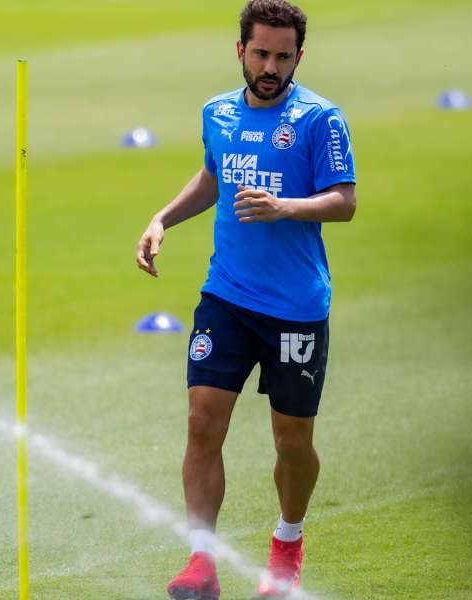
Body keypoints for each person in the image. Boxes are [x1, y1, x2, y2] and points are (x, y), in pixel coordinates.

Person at [135, 0, 356, 597]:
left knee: (292, 440)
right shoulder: (218, 112)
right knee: (202, 421)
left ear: (299, 57)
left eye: (283, 57)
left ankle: (287, 541)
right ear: (240, 50)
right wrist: (162, 219)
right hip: (227, 296)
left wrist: (286, 206)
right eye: (260, 54)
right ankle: (201, 562)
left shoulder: (319, 119)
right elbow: (213, 175)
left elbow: (344, 201)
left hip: (295, 308)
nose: (270, 67)